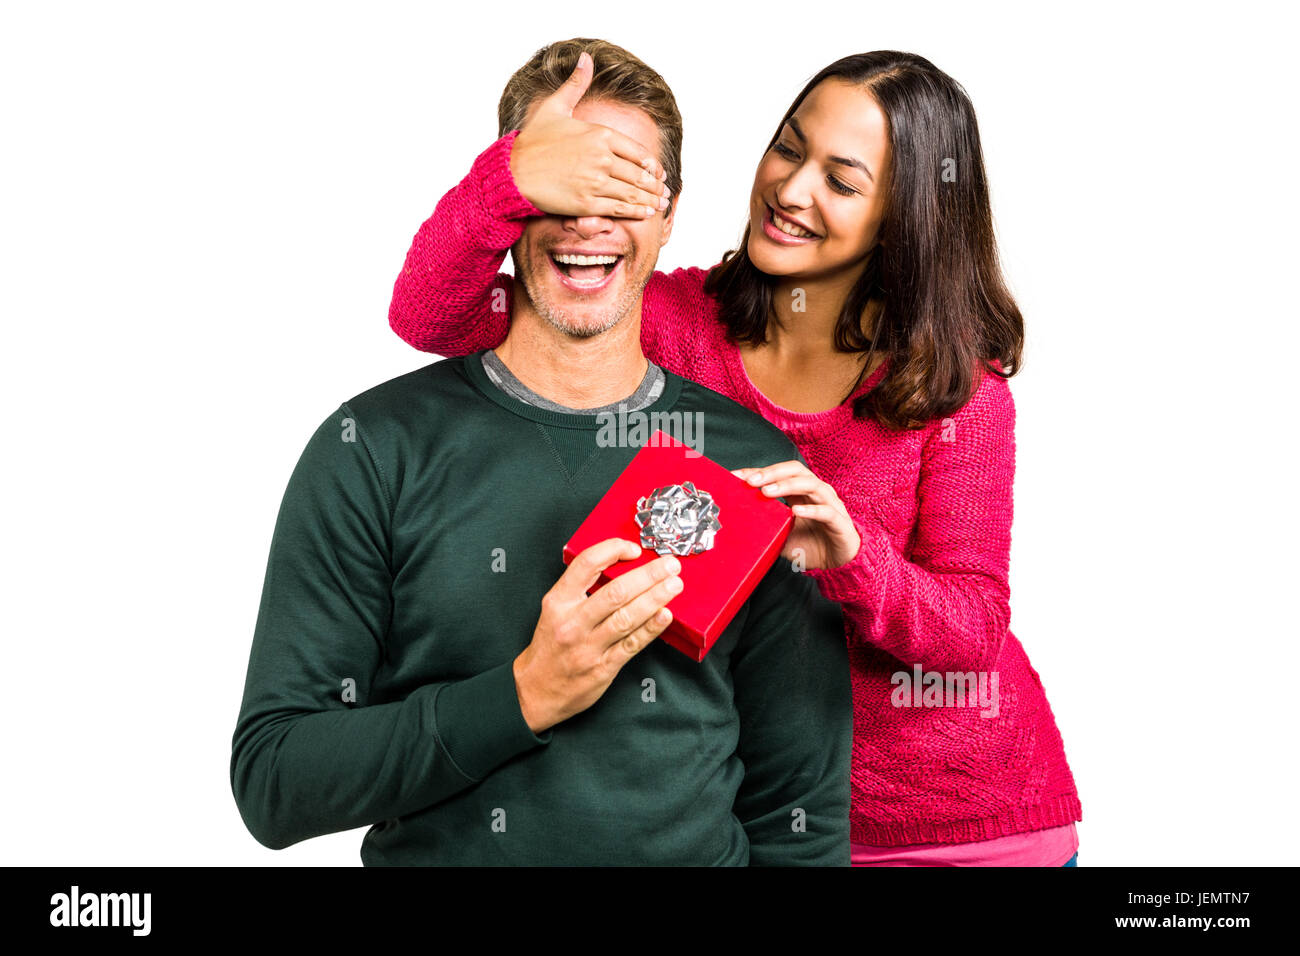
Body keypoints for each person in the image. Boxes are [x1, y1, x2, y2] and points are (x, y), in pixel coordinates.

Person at [386, 42, 1083, 866]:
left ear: (905, 217)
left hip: (961, 824)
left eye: (842, 179)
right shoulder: (670, 323)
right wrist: (510, 176)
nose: (790, 190)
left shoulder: (957, 392)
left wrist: (855, 559)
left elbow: (973, 629)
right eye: (789, 148)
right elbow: (434, 316)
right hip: (754, 819)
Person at [230, 37, 853, 866]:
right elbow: (276, 783)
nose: (589, 219)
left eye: (625, 186)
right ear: (510, 199)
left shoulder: (750, 464)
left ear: (669, 217)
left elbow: (798, 813)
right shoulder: (371, 450)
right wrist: (524, 695)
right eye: (562, 182)